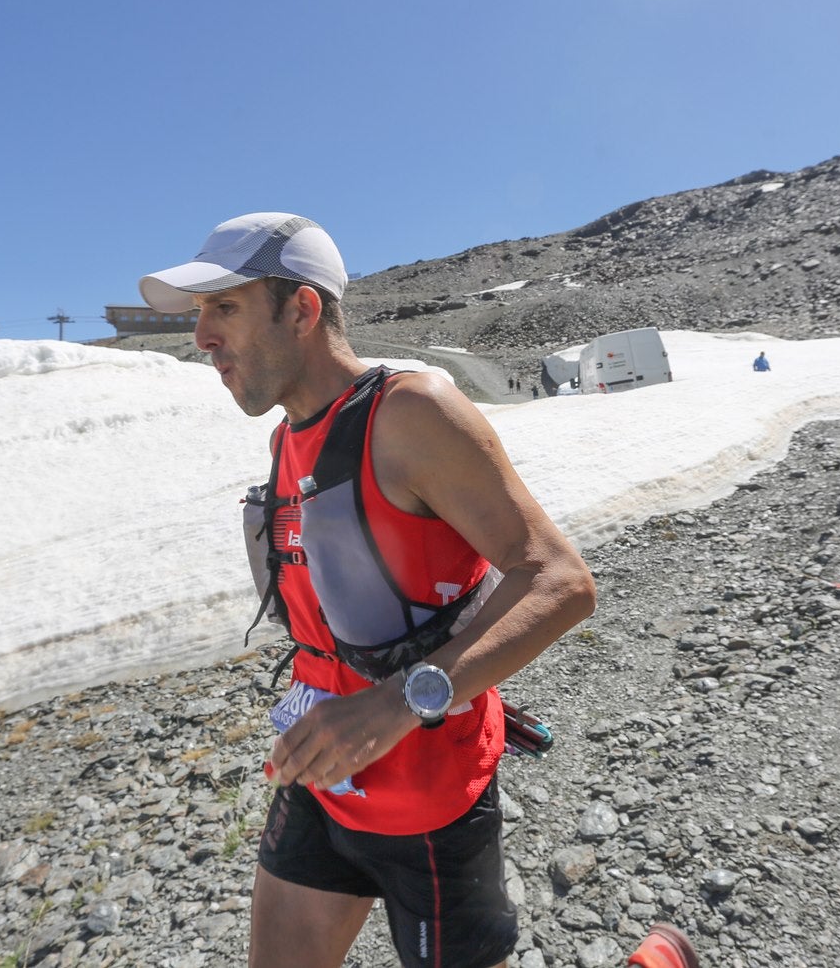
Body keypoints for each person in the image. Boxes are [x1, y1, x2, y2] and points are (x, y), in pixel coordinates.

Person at [139, 213, 697, 968]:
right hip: (323, 776)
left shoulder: (411, 413)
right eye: (201, 314)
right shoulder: (284, 442)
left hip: (431, 799)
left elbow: (560, 580)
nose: (200, 335)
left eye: (225, 308)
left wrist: (399, 701)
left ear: (302, 309)